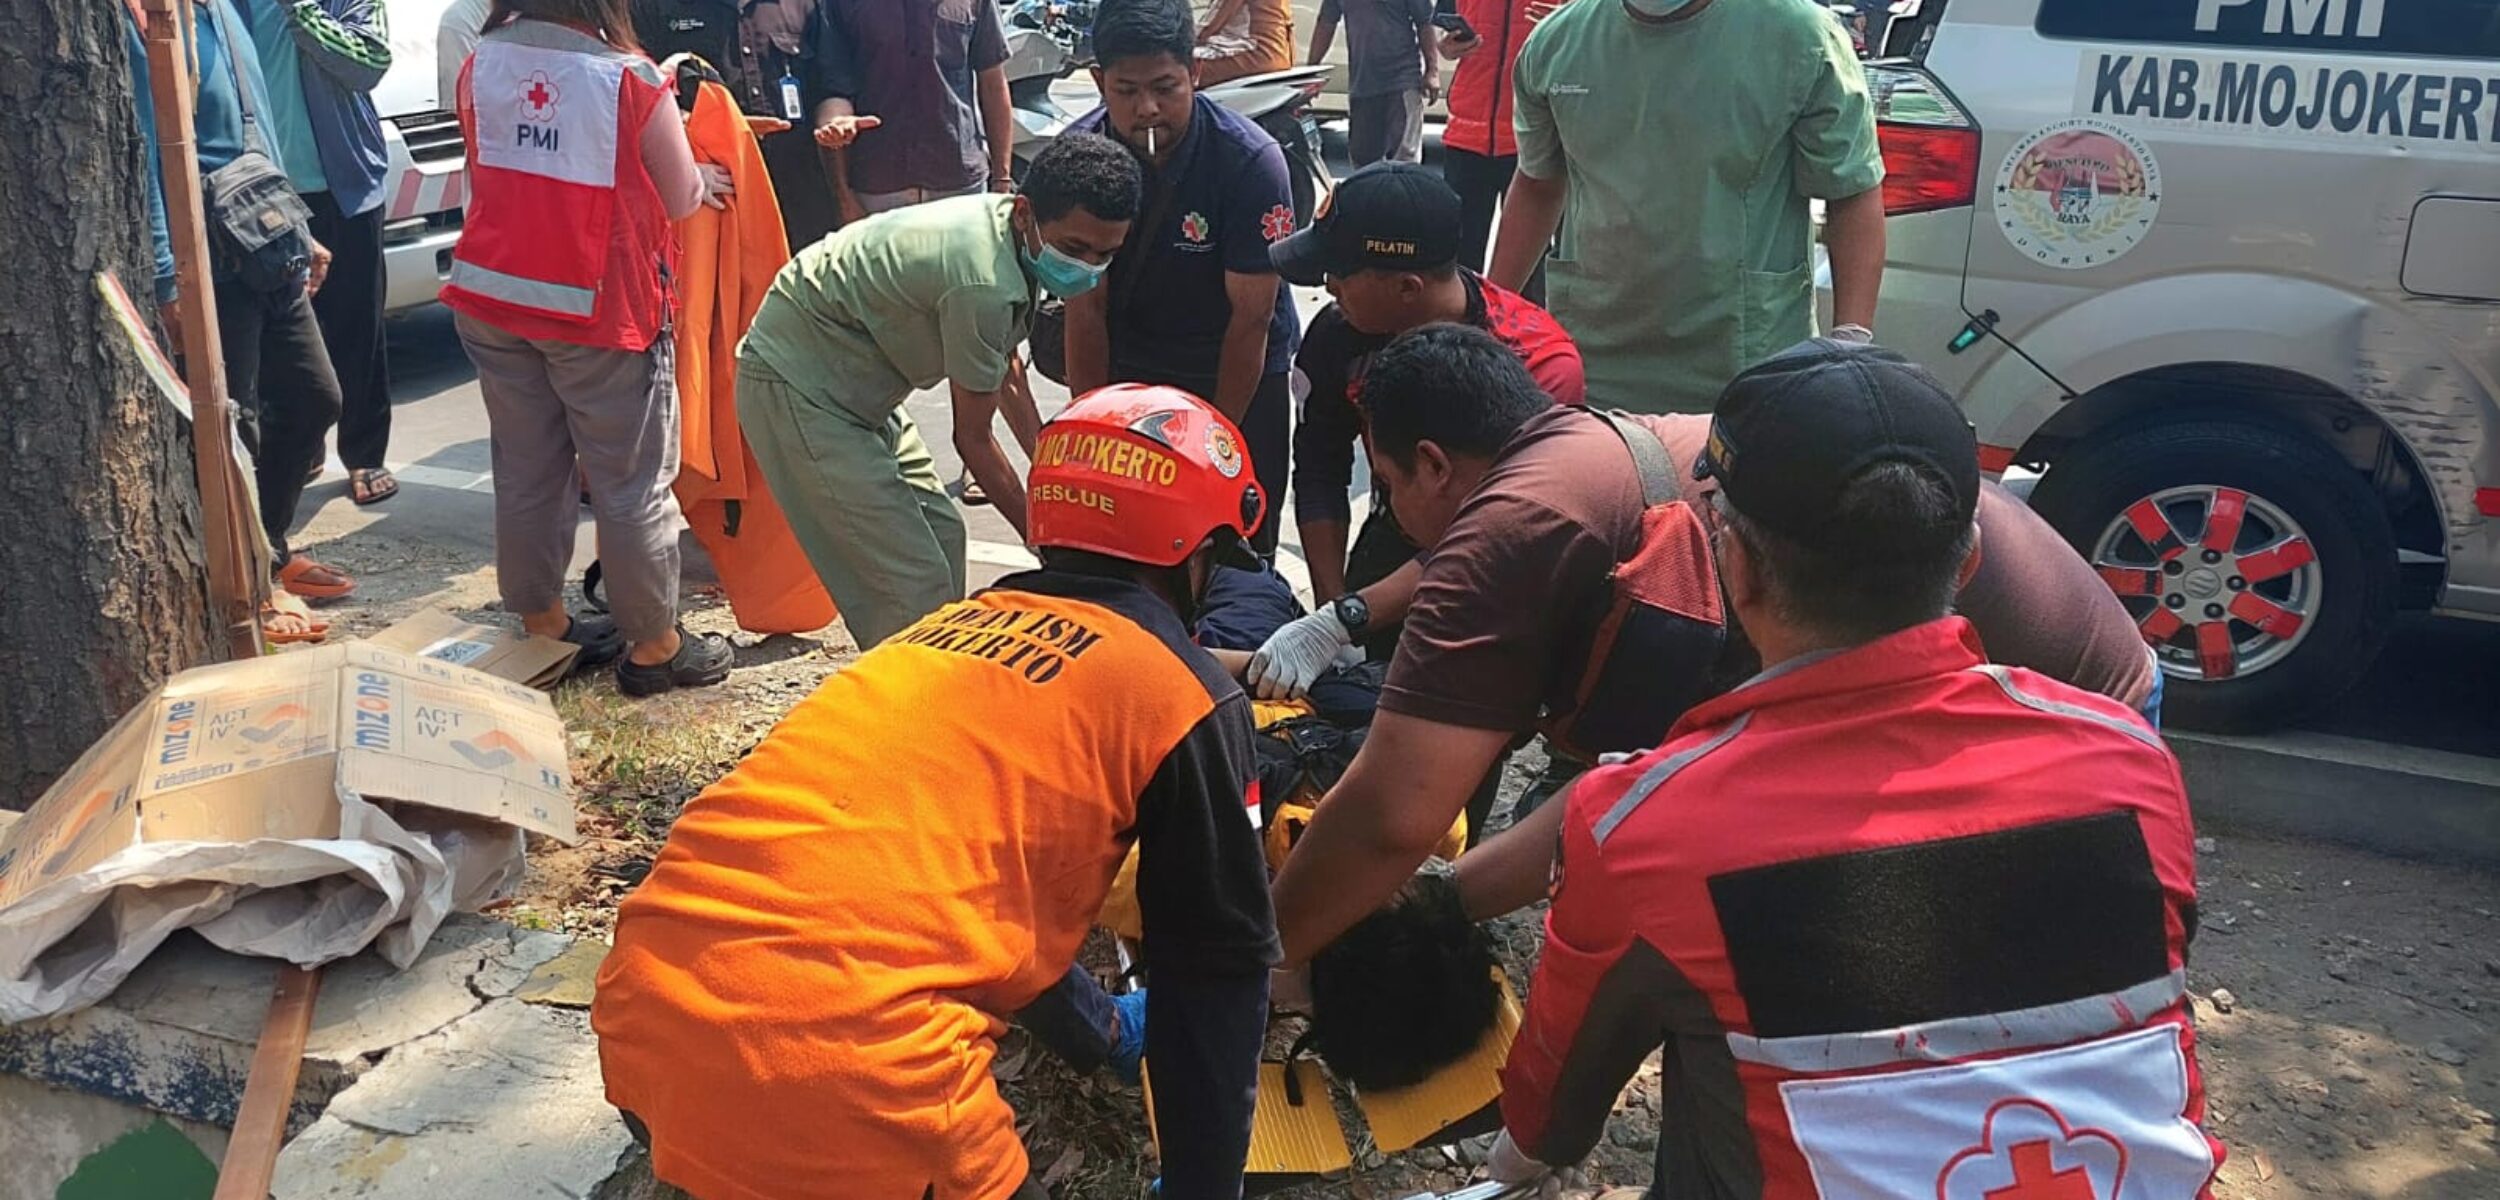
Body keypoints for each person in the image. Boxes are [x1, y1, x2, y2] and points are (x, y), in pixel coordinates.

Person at [1484, 346, 2220, 1200]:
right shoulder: (2128, 760)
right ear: (1971, 558)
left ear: (1740, 566)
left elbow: (1551, 1125)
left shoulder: (1651, 827)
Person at [1265, 332, 2166, 967]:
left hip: (2044, 748)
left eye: (1385, 485)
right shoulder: (1591, 464)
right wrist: (1439, 903)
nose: (1399, 515)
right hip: (2100, 706)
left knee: (1810, 993)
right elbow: (1630, 790)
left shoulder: (1520, 528)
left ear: (1432, 465)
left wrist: (1253, 963)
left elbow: (1392, 814)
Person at [594, 385, 1279, 1200]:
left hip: (645, 1019)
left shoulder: (937, 635)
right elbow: (1216, 979)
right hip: (841, 1081)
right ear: (1194, 551)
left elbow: (976, 898)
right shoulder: (1182, 696)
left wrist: (1100, 1033)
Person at [736, 133, 1140, 648]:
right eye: (1076, 248)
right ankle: (907, 714)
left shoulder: (1013, 235)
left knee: (945, 539)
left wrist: (1051, 471)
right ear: (1025, 214)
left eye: (1106, 254)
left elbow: (1005, 371)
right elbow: (972, 440)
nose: (1087, 267)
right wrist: (1047, 545)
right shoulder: (983, 283)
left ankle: (929, 691)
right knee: (911, 585)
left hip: (860, 381)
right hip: (799, 382)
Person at [444, 0, 735, 696]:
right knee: (630, 482)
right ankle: (656, 645)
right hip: (598, 311)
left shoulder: (481, 63)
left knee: (526, 468)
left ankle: (543, 621)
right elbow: (678, 195)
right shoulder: (629, 79)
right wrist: (703, 177)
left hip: (494, 298)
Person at [1252, 162, 1580, 683]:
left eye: (1339, 272)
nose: (1327, 286)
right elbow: (1318, 467)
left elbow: (1499, 533)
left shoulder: (1536, 366)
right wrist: (1333, 609)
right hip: (1395, 529)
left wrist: (1350, 616)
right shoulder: (1341, 332)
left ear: (1407, 287)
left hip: (1503, 564)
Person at [1487, 0, 1887, 412]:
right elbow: (1538, 184)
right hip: (1594, 358)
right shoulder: (1559, 43)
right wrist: (1489, 316)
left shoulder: (1799, 37)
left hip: (1745, 365)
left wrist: (1850, 341)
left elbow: (1852, 192)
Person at [131, 0, 357, 638]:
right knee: (236, 426)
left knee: (316, 399)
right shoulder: (141, 17)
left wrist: (298, 227)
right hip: (206, 257)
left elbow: (259, 127)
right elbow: (148, 149)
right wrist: (166, 272)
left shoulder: (225, 10)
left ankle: (271, 550)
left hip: (264, 238)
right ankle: (244, 590)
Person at [1063, 0, 1301, 555]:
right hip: (1134, 369)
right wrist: (1094, 427)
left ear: (1195, 72)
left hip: (1237, 371)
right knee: (1132, 547)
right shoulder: (1080, 160)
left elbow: (1253, 320)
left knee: (1236, 548)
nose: (1147, 109)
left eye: (1165, 87)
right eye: (1125, 90)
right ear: (1099, 82)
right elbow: (1085, 307)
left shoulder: (1250, 164)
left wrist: (1214, 444)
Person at [239, 0, 399, 508]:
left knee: (356, 325)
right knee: (278, 334)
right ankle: (302, 444)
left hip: (343, 184)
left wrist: (302, 11)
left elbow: (369, 63)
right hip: (260, 195)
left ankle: (365, 453)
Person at [628, 0, 843, 250]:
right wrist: (724, 128)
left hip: (796, 190)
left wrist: (836, 123)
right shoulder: (655, 7)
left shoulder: (804, 5)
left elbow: (831, 85)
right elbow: (640, 99)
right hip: (713, 194)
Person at [805, 0, 1015, 224]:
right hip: (878, 188)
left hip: (958, 183)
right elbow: (834, 87)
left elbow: (993, 83)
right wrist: (843, 196)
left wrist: (1002, 181)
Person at [1436, 0, 1550, 299]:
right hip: (1466, 136)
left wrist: (1563, 29)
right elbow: (1445, 38)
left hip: (1531, 135)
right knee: (1459, 259)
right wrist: (1448, 48)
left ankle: (1526, 342)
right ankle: (1460, 340)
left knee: (1531, 263)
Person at [1309, 0, 1438, 167]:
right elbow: (1326, 22)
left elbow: (1425, 21)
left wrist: (1432, 71)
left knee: (1403, 164)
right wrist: (1312, 69)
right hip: (1362, 86)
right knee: (1363, 164)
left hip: (1401, 82)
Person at [1193, 0, 1294, 86]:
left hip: (1254, 54)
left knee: (1184, 71)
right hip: (1280, 56)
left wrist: (1186, 38)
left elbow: (1211, 26)